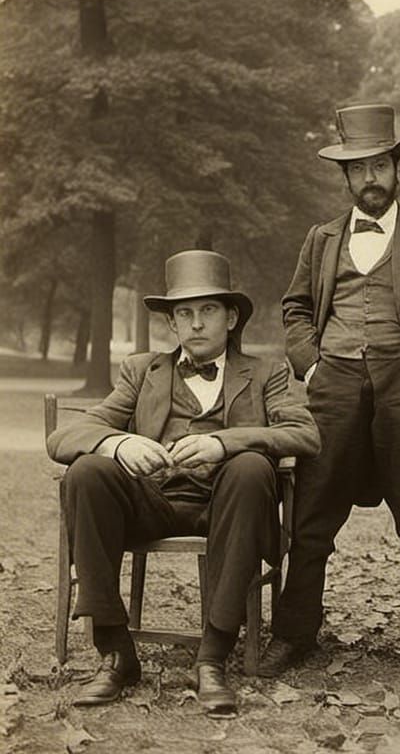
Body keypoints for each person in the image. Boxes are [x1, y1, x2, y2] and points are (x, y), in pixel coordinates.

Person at [262, 104, 400, 693]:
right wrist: (309, 369)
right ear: (345, 177)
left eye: (379, 165)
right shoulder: (321, 237)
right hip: (331, 387)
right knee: (310, 517)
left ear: (397, 165)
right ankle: (295, 631)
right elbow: (297, 307)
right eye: (358, 169)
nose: (370, 179)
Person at [48, 250, 320, 715]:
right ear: (172, 324)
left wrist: (226, 443)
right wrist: (117, 444)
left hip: (228, 503)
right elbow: (65, 436)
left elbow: (305, 434)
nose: (195, 324)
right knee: (87, 470)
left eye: (208, 310)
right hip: (151, 500)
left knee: (252, 467)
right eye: (184, 314)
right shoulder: (141, 370)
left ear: (231, 317)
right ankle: (115, 652)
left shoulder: (266, 373)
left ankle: (212, 657)